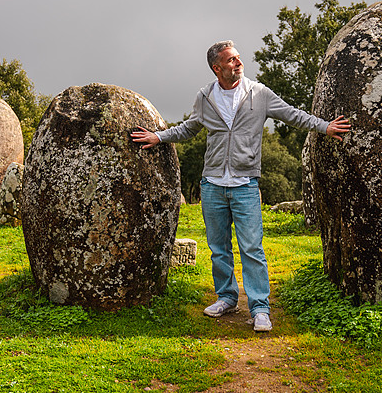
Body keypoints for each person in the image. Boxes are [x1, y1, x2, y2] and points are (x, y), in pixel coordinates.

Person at [131, 40, 350, 332]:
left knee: (251, 248)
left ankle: (260, 308)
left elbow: (293, 114)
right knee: (218, 248)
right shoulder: (205, 96)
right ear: (217, 68)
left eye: (237, 58)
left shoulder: (258, 93)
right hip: (212, 184)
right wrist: (160, 136)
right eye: (231, 60)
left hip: (245, 184)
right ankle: (226, 298)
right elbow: (190, 128)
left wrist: (325, 126)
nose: (238, 62)